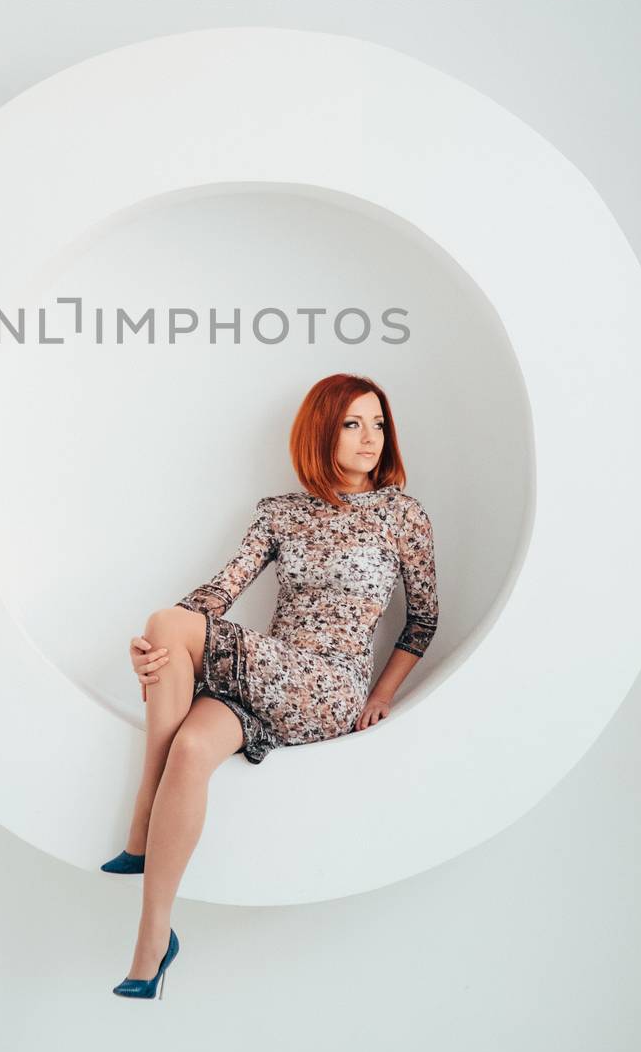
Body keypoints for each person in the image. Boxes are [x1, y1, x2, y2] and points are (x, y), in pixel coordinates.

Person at [106, 372, 440, 999]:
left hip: (329, 686)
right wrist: (157, 647)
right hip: (267, 673)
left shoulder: (402, 514)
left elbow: (423, 618)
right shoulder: (279, 514)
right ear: (322, 431)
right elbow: (218, 592)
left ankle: (138, 826)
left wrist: (381, 694)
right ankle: (154, 940)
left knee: (167, 625)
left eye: (378, 423)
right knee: (192, 746)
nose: (371, 437)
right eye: (352, 424)